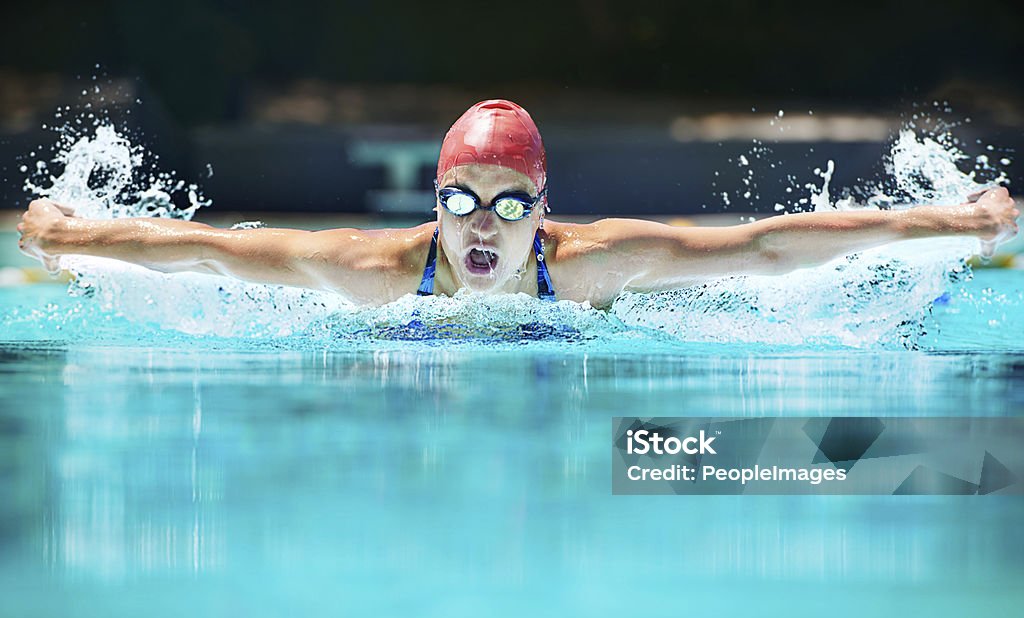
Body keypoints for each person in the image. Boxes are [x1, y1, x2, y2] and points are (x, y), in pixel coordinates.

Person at [15, 99, 1020, 310]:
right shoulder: (370, 268)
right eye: (460, 199)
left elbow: (762, 247)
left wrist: (957, 223)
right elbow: (205, 251)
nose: (482, 225)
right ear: (433, 202)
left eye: (505, 203)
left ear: (542, 205)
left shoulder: (584, 261)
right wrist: (68, 235)